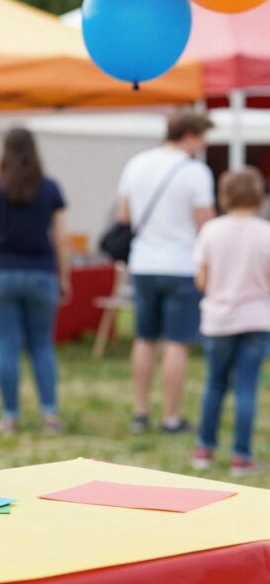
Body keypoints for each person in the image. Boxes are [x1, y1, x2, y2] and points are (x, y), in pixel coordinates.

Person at [115, 112, 215, 434]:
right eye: (202, 135)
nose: (204, 143)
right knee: (177, 342)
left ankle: (140, 411)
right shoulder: (196, 172)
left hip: (143, 263)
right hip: (181, 264)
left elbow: (123, 214)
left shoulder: (137, 162)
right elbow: (206, 223)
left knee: (144, 338)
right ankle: (171, 416)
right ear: (188, 134)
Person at [0, 128, 70, 434]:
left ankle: (10, 416)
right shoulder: (50, 188)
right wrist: (64, 276)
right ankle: (50, 414)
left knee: (6, 346)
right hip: (41, 273)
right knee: (42, 345)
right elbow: (62, 238)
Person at [190, 168, 270, 477]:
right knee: (246, 386)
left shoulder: (211, 230)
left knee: (214, 383)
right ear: (259, 195)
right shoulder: (265, 232)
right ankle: (241, 456)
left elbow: (202, 279)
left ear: (223, 196)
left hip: (218, 318)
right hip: (257, 318)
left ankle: (204, 448)